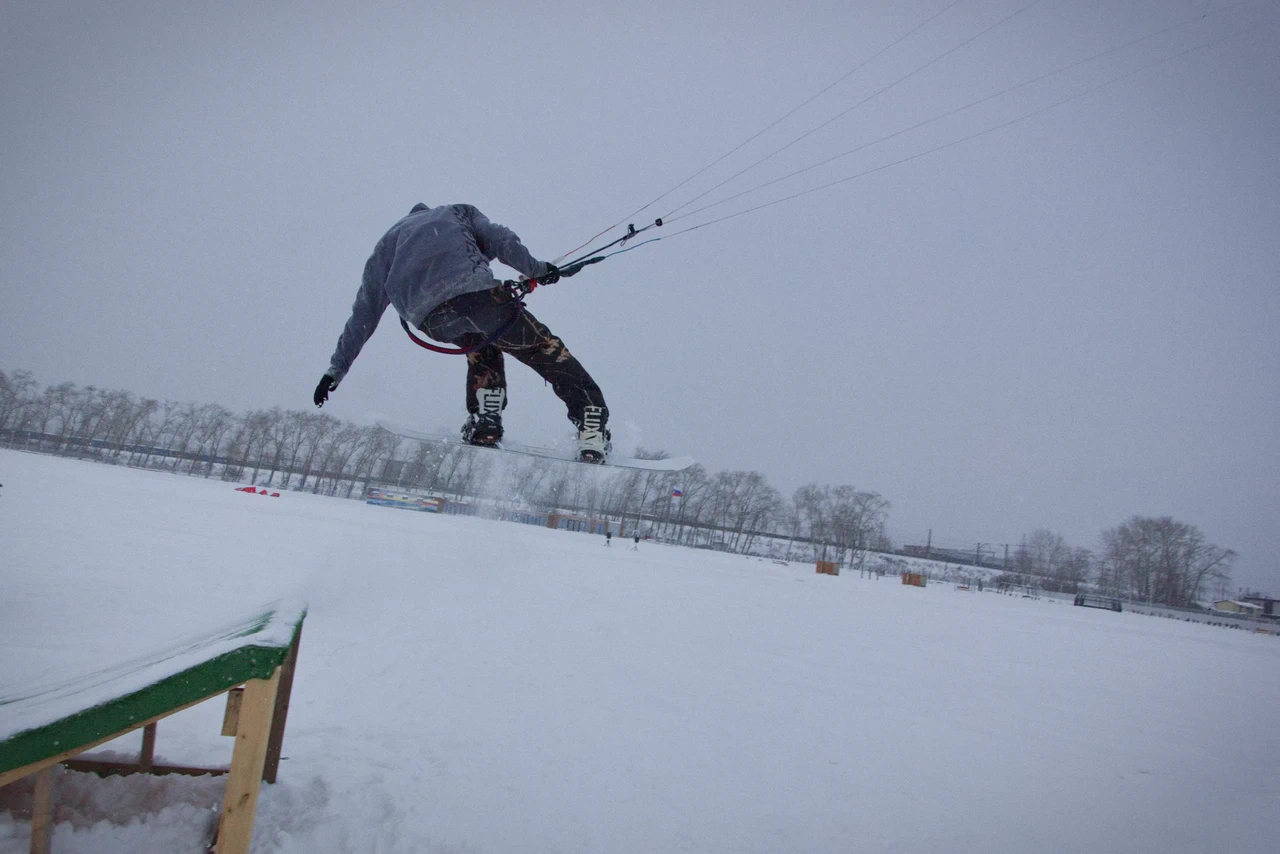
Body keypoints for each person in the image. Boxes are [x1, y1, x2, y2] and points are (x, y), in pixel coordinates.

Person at [314, 203, 611, 462]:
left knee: (481, 343)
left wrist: (335, 370)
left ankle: (486, 419)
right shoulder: (457, 213)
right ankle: (591, 424)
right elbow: (501, 239)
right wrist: (536, 269)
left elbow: (363, 314)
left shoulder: (386, 246)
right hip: (480, 299)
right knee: (543, 349)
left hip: (432, 318)